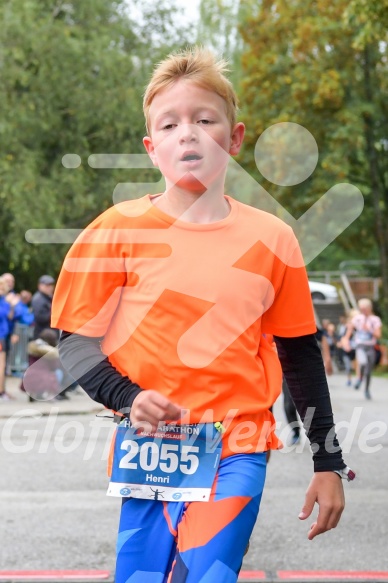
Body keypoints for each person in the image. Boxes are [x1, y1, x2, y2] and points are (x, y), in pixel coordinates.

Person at [52, 47, 353, 583]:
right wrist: (128, 397)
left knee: (206, 577)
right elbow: (74, 340)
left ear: (234, 139)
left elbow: (300, 353)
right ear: (152, 147)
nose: (186, 133)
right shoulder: (115, 230)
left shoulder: (273, 238)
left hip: (237, 444)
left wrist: (327, 462)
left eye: (204, 119)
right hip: (150, 448)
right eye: (170, 124)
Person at [343, 298, 382, 400]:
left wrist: (370, 330)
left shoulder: (375, 320)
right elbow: (349, 331)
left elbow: (378, 335)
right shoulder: (357, 319)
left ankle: (366, 389)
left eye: (365, 308)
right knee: (363, 362)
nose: (363, 311)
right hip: (360, 346)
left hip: (370, 346)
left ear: (369, 308)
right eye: (361, 309)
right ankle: (360, 378)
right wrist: (346, 342)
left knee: (369, 371)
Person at [31, 275, 57, 340]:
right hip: (42, 336)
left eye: (51, 285)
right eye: (47, 285)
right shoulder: (38, 299)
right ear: (40, 286)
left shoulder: (48, 297)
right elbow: (40, 317)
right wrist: (55, 314)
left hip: (49, 335)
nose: (50, 287)